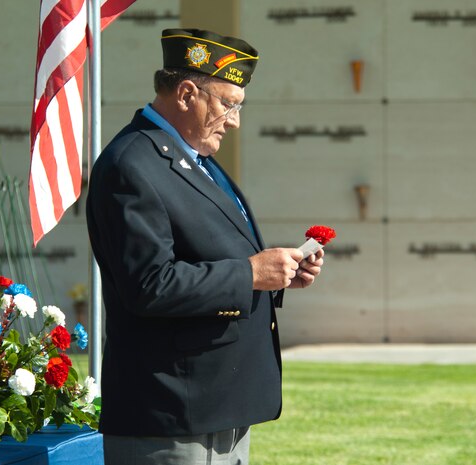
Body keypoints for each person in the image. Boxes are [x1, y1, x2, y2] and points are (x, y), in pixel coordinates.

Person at [86, 28, 325, 465]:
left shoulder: (198, 162)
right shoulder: (132, 164)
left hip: (217, 404)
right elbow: (149, 285)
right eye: (228, 104)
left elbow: (211, 259)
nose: (234, 120)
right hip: (173, 412)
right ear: (186, 93)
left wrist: (278, 273)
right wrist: (251, 273)